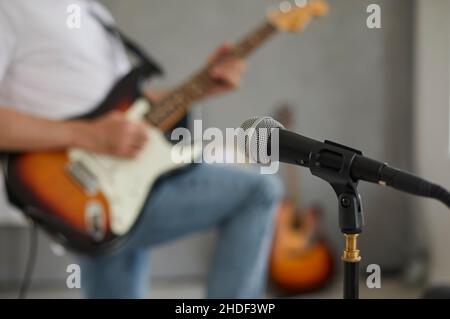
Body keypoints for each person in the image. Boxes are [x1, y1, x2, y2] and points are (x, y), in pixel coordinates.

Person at [0, 0, 283, 298]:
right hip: (75, 181)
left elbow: (129, 108)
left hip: (122, 180)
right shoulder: (12, 8)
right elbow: (102, 130)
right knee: (259, 191)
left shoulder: (91, 12)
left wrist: (203, 85)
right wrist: (88, 135)